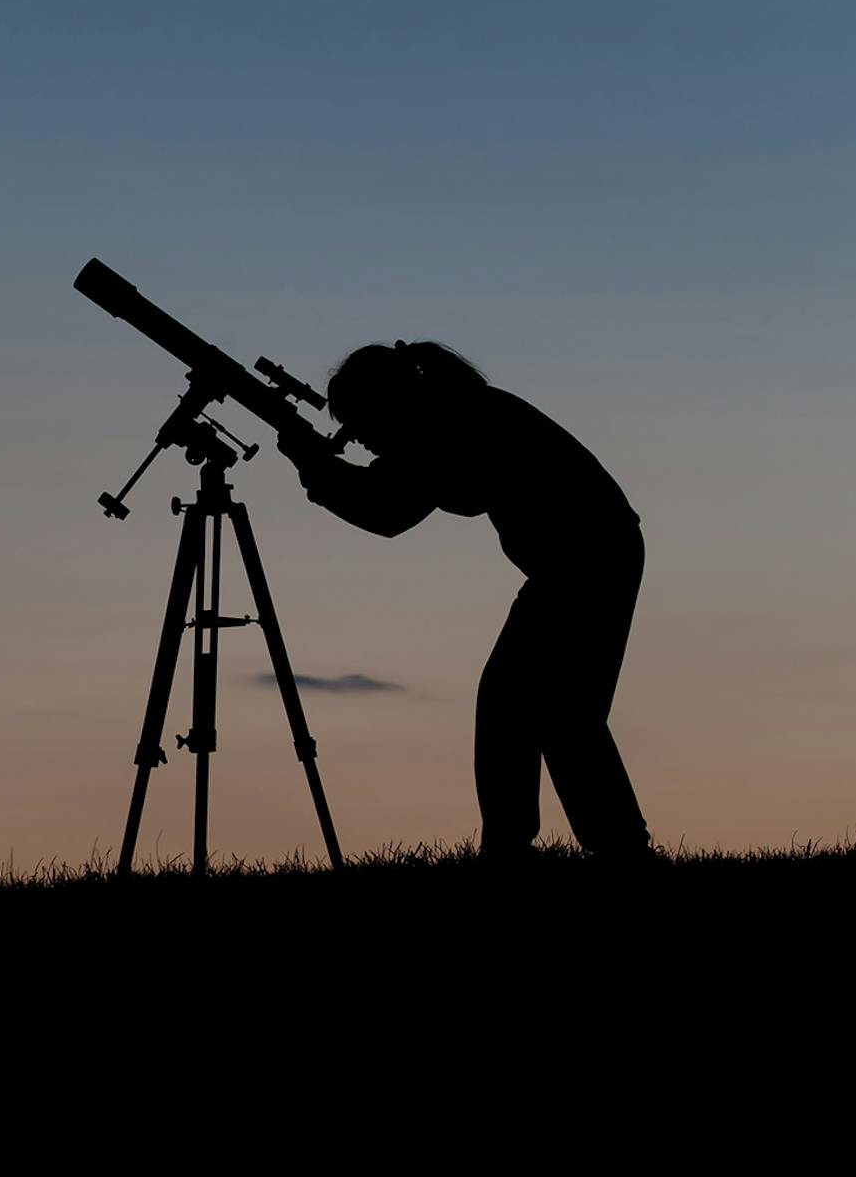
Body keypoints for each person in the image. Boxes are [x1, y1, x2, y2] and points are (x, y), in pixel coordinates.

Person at [276, 341, 655, 863]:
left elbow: (388, 511)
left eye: (361, 427)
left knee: (555, 713)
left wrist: (315, 469)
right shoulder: (452, 409)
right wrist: (322, 469)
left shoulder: (443, 421)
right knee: (535, 707)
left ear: (385, 404)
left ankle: (595, 848)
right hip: (583, 559)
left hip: (585, 560)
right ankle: (562, 846)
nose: (361, 443)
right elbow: (395, 490)